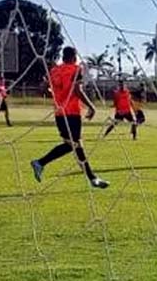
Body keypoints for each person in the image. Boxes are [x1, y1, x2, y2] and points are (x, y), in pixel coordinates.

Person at [29, 46, 108, 189]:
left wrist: (52, 91)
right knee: (74, 145)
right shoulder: (76, 69)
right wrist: (91, 106)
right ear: (74, 56)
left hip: (59, 114)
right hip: (72, 113)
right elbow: (78, 90)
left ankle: (92, 179)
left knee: (74, 145)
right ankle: (40, 162)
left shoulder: (54, 71)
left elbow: (43, 89)